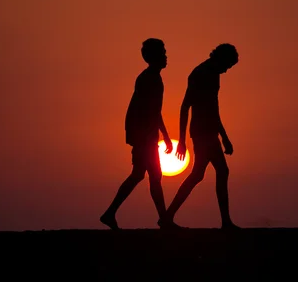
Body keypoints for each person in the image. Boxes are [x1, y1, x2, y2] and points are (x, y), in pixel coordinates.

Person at [100, 38, 181, 230]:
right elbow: (148, 111)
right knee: (147, 175)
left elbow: (155, 111)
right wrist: (154, 137)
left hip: (146, 135)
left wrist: (165, 136)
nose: (166, 57)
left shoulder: (153, 78)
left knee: (145, 175)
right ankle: (163, 220)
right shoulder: (148, 79)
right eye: (163, 53)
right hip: (143, 135)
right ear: (154, 57)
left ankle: (112, 213)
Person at [158, 43, 241, 230]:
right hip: (202, 132)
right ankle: (226, 222)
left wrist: (224, 136)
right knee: (220, 171)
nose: (226, 71)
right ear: (221, 59)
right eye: (227, 66)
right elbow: (185, 106)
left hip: (209, 130)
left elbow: (214, 109)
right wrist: (181, 141)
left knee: (198, 175)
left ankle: (167, 216)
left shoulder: (214, 74)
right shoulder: (200, 74)